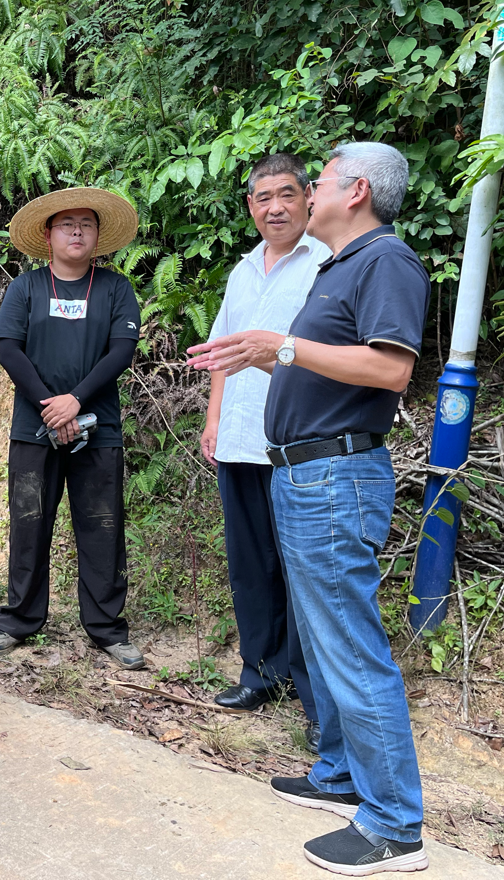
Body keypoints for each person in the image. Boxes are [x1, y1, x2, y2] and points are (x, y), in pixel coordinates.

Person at [187, 142, 430, 875]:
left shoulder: (386, 261)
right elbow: (320, 363)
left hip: (335, 478)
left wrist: (284, 348)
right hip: (303, 475)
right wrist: (265, 355)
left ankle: (394, 825)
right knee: (324, 640)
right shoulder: (340, 267)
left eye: (317, 182)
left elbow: (391, 368)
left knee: (350, 645)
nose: (307, 193)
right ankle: (339, 774)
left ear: (356, 192)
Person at [0, 187, 146, 670]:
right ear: (48, 234)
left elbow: (121, 352)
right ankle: (18, 621)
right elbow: (9, 349)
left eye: (87, 224)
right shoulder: (25, 288)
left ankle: (107, 628)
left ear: (97, 235)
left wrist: (76, 401)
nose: (77, 231)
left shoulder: (115, 288)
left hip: (100, 428)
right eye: (67, 224)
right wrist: (49, 406)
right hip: (33, 430)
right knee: (28, 524)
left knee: (102, 527)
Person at [200, 153, 328, 749]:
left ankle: (313, 694)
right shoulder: (243, 270)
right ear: (250, 206)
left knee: (303, 573)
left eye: (286, 195)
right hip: (240, 439)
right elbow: (223, 353)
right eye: (263, 198)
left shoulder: (327, 263)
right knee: (251, 566)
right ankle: (261, 673)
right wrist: (214, 420)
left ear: (308, 197)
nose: (274, 208)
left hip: (298, 445)